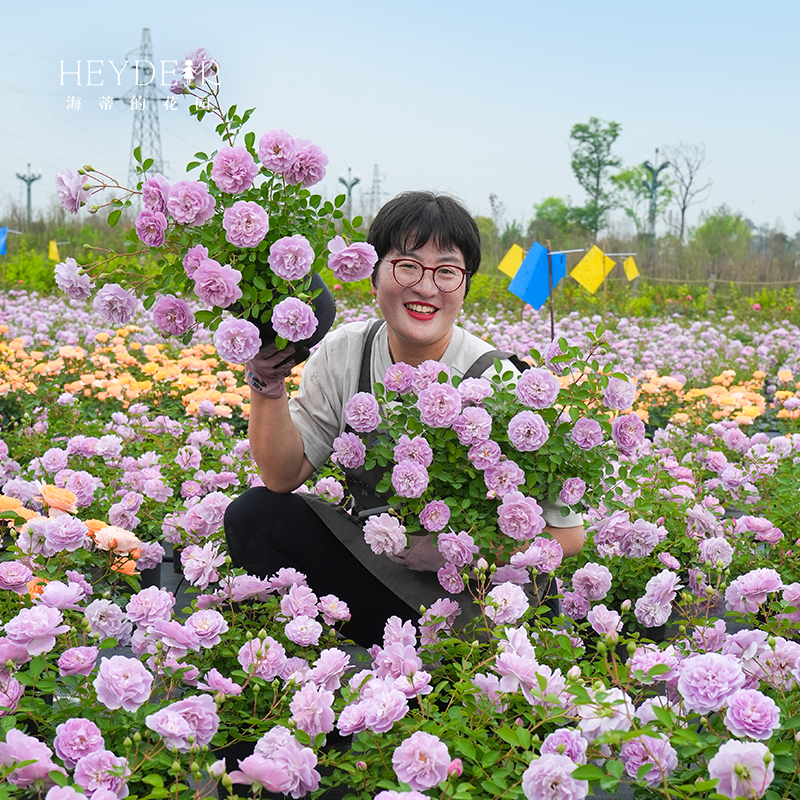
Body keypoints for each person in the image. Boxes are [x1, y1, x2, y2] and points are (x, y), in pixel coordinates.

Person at [224, 191, 584, 647]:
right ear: (374, 276)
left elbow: (566, 537)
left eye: (447, 271)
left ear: (465, 287)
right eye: (407, 265)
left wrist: (457, 552)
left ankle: (458, 679)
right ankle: (304, 662)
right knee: (257, 515)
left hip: (478, 601)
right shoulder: (345, 353)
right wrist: (267, 383)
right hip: (382, 579)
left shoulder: (499, 381)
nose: (426, 287)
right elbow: (281, 475)